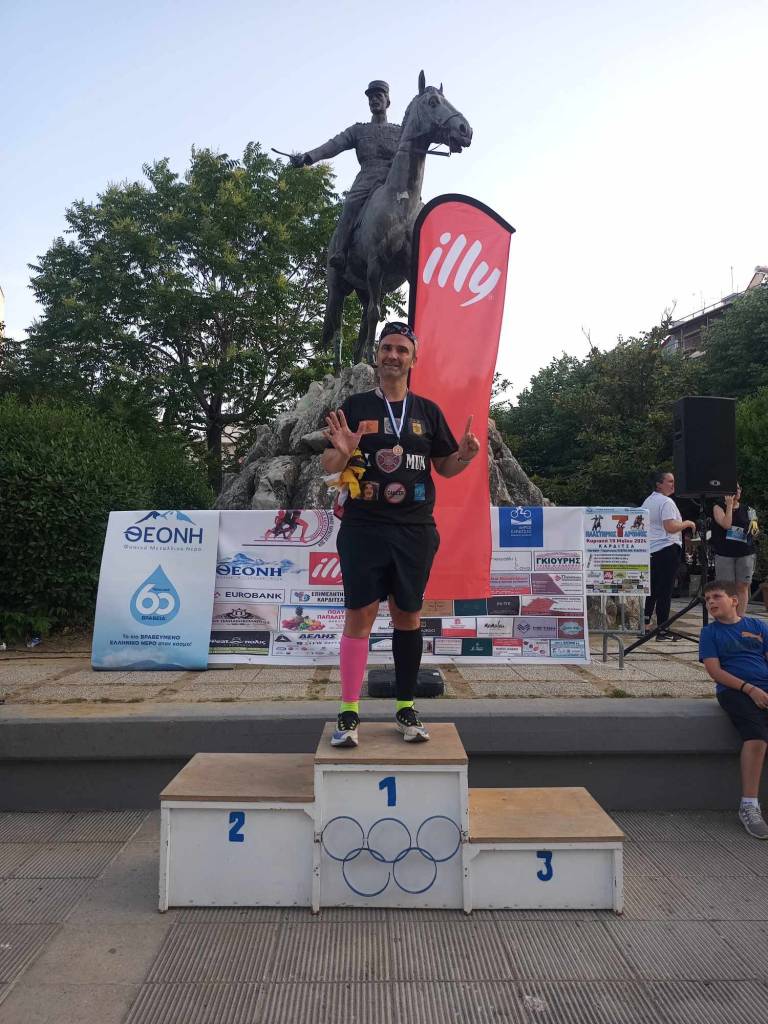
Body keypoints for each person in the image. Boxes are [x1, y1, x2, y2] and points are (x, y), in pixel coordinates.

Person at [321, 321, 479, 746]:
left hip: (414, 529)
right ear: (377, 355)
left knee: (407, 615)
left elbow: (445, 467)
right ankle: (348, 713)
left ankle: (406, 708)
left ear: (413, 359)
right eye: (387, 348)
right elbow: (329, 466)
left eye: (402, 350)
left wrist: (464, 456)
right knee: (360, 615)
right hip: (363, 527)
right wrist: (342, 452)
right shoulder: (355, 406)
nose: (393, 355)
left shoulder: (427, 411)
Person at [290, 81, 401, 271]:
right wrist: (308, 157)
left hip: (393, 181)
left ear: (387, 101)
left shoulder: (399, 131)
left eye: (378, 96)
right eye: (370, 97)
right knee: (350, 204)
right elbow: (334, 145)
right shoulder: (358, 130)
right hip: (367, 178)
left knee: (416, 205)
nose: (374, 100)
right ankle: (340, 250)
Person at [699, 580, 768, 838]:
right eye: (707, 599)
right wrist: (749, 689)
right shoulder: (710, 633)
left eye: (716, 596)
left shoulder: (758, 626)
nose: (711, 602)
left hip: (764, 686)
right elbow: (715, 671)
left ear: (734, 600)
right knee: (756, 738)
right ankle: (749, 805)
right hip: (735, 691)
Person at [643, 470, 696, 640]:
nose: (673, 485)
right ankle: (663, 628)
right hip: (667, 548)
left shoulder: (648, 501)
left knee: (652, 589)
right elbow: (670, 527)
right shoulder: (666, 502)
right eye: (670, 481)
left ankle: (645, 625)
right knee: (665, 590)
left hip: (652, 550)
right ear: (659, 484)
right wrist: (687, 523)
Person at [711, 484, 758, 616]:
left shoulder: (749, 509)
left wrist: (754, 531)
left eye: (738, 488)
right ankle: (727, 617)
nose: (736, 491)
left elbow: (755, 529)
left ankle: (739, 618)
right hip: (725, 554)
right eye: (733, 488)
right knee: (727, 588)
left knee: (742, 586)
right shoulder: (718, 507)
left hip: (745, 553)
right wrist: (729, 505)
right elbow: (726, 524)